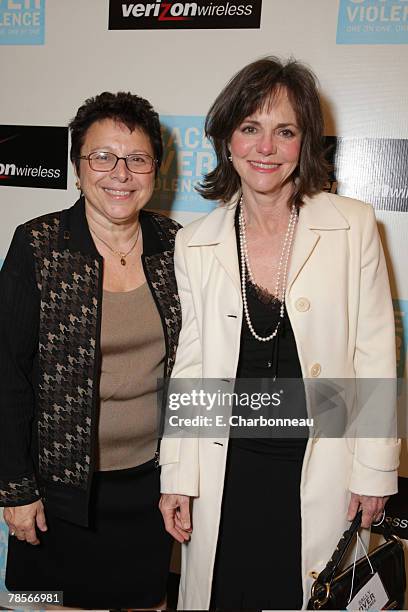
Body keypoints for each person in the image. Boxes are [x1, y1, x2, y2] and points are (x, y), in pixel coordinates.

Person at [158, 57, 400, 610]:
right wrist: (178, 474)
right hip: (228, 469)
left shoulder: (352, 225)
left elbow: (373, 355)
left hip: (321, 464)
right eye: (250, 128)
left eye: (284, 131)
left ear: (304, 141)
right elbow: (191, 367)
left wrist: (374, 470)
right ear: (227, 139)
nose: (266, 147)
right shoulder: (194, 241)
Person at [0, 91, 181, 609]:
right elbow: (6, 373)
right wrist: (15, 487)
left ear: (154, 170)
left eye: (137, 158)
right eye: (102, 157)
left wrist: (186, 475)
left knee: (148, 602)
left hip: (150, 488)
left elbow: (194, 367)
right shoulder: (39, 244)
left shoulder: (176, 246)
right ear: (78, 169)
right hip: (56, 492)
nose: (120, 173)